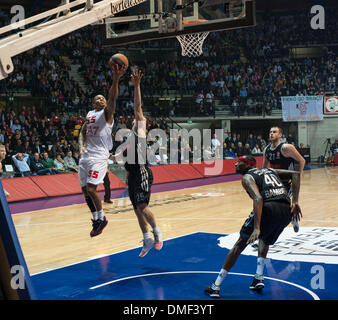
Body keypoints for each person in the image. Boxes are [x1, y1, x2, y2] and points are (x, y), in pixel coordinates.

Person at [204, 155, 302, 298]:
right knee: (266, 239)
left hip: (269, 208)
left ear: (248, 165)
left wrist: (256, 227)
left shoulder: (247, 177)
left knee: (239, 245)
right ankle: (258, 277)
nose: (236, 164)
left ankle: (216, 286)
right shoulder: (270, 171)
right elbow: (296, 174)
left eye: (239, 162)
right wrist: (296, 201)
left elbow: (258, 198)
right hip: (286, 210)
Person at [115, 69, 163, 258]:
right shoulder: (128, 138)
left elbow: (137, 107)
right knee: (137, 210)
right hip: (132, 175)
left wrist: (136, 85)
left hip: (142, 173)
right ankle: (147, 238)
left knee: (142, 206)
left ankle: (158, 233)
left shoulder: (140, 131)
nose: (137, 120)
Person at [78, 63, 126, 237]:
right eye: (98, 98)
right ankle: (96, 219)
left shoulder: (106, 114)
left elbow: (113, 99)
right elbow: (83, 131)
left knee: (91, 189)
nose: (101, 100)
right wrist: (82, 144)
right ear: (93, 102)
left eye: (103, 98)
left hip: (99, 156)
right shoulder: (90, 114)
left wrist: (115, 79)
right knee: (85, 192)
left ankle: (102, 219)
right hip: (86, 155)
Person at [263, 126, 305, 232]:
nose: (271, 133)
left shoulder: (286, 148)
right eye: (270, 132)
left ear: (280, 135)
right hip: (274, 183)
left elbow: (302, 161)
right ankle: (263, 235)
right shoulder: (266, 149)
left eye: (274, 132)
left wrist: (297, 177)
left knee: (279, 207)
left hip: (287, 183)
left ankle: (293, 218)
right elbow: (264, 169)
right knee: (269, 208)